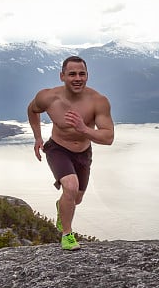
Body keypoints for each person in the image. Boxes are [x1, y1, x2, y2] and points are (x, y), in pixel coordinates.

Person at [27, 56, 114, 250]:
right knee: (71, 186)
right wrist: (38, 137)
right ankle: (67, 235)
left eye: (82, 74)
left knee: (77, 198)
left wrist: (84, 129)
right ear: (62, 76)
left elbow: (108, 137)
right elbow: (32, 110)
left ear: (87, 76)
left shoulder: (98, 101)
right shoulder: (48, 97)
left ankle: (62, 207)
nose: (77, 78)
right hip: (58, 148)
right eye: (72, 74)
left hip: (83, 152)